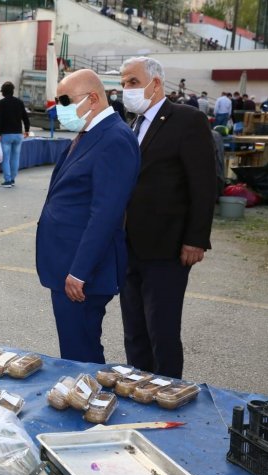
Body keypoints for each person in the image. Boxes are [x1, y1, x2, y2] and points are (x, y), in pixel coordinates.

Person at [119, 56, 216, 379]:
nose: (126, 90)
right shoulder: (133, 125)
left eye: (132, 82)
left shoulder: (186, 120)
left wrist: (196, 239)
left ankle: (168, 390)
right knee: (134, 330)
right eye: (123, 84)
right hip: (130, 246)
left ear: (156, 83)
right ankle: (139, 385)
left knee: (162, 330)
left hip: (168, 247)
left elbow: (204, 184)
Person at [36, 69, 140, 364]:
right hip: (66, 264)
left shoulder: (114, 139)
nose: (59, 108)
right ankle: (83, 397)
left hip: (83, 273)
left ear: (93, 98)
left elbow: (105, 214)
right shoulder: (89, 133)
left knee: (81, 352)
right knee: (74, 348)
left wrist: (80, 271)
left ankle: (89, 403)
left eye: (65, 100)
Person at [0, 81, 30, 188]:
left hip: (6, 134)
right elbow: (25, 117)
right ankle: (13, 178)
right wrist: (27, 130)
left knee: (6, 158)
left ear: (3, 92)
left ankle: (8, 180)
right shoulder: (19, 102)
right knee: (15, 157)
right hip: (18, 134)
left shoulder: (1, 103)